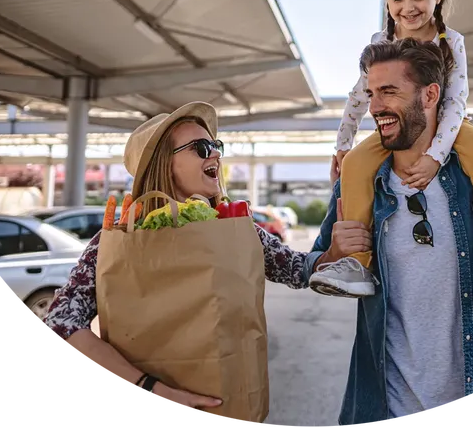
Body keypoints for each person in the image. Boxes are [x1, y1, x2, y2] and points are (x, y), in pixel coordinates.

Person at [39, 102, 372, 411]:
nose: (214, 154)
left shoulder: (236, 229)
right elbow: (59, 322)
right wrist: (150, 387)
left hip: (230, 400)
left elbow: (296, 269)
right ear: (164, 164)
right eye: (201, 148)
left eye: (216, 146)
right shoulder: (116, 241)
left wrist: (333, 252)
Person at [302, 39, 473, 426]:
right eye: (371, 94)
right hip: (387, 408)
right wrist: (335, 252)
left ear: (431, 94)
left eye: (389, 92)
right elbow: (312, 264)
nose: (375, 107)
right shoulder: (358, 182)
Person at [308, 0, 473, 311]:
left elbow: (456, 101)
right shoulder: (381, 42)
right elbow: (358, 97)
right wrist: (343, 145)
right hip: (401, 128)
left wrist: (433, 156)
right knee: (356, 165)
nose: (407, 8)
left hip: (451, 127)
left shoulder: (451, 42)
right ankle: (356, 264)